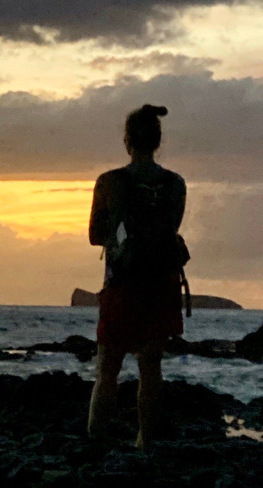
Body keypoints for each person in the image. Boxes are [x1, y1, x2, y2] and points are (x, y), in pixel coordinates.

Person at [86, 104, 187, 451]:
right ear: (158, 141)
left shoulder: (110, 182)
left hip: (121, 284)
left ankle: (96, 443)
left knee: (107, 372)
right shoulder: (175, 184)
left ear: (127, 141)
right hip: (161, 285)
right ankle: (146, 441)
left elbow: (96, 235)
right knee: (151, 370)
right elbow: (171, 227)